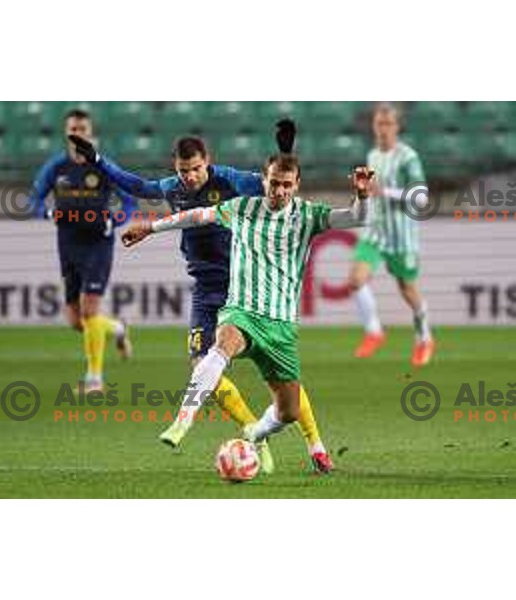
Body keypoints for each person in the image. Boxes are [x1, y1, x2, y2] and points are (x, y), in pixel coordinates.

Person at [68, 123, 330, 473]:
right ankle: (254, 431)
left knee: (284, 374)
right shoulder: (171, 188)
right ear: (175, 167)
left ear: (209, 162)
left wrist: (285, 150)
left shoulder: (230, 180)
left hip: (245, 285)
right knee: (200, 364)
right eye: (183, 171)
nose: (190, 177)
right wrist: (98, 160)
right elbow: (136, 185)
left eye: (196, 169)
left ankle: (315, 444)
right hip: (207, 290)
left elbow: (274, 184)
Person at [121, 154, 372, 474]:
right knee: (219, 348)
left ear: (296, 186)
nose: (278, 191)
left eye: (286, 185)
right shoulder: (242, 208)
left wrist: (362, 195)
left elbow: (356, 218)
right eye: (273, 183)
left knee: (289, 411)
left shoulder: (309, 215)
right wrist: (151, 227)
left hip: (281, 326)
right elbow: (197, 215)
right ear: (263, 181)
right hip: (242, 311)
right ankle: (182, 422)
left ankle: (256, 432)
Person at [29, 108, 136, 392]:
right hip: (68, 244)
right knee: (77, 321)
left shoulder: (103, 167)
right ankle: (118, 328)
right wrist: (48, 214)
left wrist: (116, 220)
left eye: (82, 129)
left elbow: (129, 202)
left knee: (90, 312)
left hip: (98, 244)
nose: (77, 134)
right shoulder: (56, 167)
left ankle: (94, 380)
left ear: (90, 134)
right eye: (73, 129)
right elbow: (34, 199)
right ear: (67, 133)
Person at [351, 104, 435, 367]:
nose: (383, 129)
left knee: (408, 290)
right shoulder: (373, 155)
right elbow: (373, 192)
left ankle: (424, 338)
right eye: (379, 124)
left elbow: (421, 197)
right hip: (375, 232)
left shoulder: (408, 157)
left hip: (402, 237)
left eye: (388, 124)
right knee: (356, 280)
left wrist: (384, 191)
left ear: (397, 127)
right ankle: (374, 332)